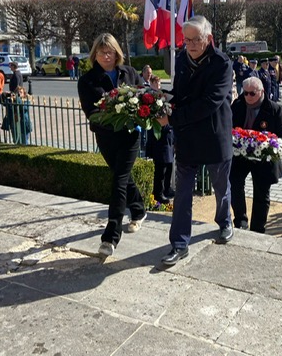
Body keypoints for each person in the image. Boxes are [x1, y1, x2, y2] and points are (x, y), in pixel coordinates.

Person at [156, 15, 234, 266]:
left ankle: (224, 221)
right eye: (186, 39)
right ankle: (179, 243)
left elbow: (209, 102)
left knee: (220, 187)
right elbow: (181, 93)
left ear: (208, 38)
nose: (189, 44)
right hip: (188, 137)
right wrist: (162, 99)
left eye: (194, 39)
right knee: (183, 192)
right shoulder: (181, 58)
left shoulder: (222, 63)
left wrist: (173, 119)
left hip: (214, 135)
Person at [78, 33, 146, 257]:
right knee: (124, 178)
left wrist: (136, 116)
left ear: (117, 53)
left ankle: (111, 236)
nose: (106, 56)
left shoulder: (129, 73)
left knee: (118, 180)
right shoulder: (88, 80)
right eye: (101, 52)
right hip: (107, 138)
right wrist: (113, 113)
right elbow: (92, 112)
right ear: (94, 54)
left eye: (110, 52)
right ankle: (139, 209)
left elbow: (143, 97)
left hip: (130, 136)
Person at [230, 77, 282, 233]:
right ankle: (240, 221)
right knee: (234, 183)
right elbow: (228, 126)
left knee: (261, 192)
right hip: (241, 154)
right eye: (246, 93)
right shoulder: (237, 105)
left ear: (261, 91)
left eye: (252, 93)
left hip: (263, 158)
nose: (248, 97)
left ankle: (258, 228)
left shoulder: (275, 109)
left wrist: (270, 146)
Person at [146, 75, 174, 204]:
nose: (158, 85)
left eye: (159, 83)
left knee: (169, 165)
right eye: (156, 83)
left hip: (168, 135)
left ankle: (167, 189)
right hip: (159, 135)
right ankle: (158, 193)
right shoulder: (149, 97)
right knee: (161, 167)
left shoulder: (163, 95)